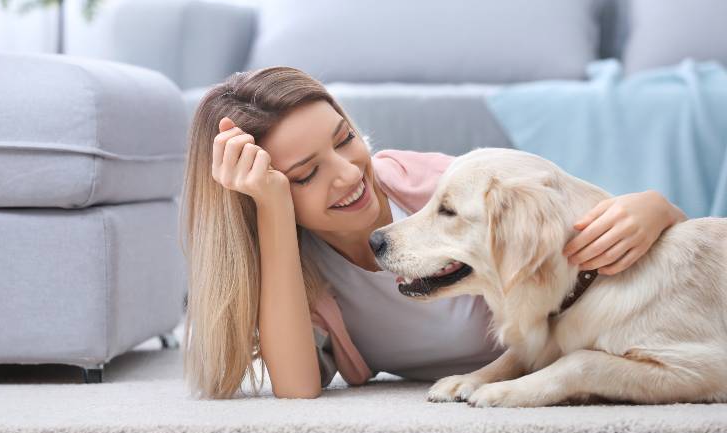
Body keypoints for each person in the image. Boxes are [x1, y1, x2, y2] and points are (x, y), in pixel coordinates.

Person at [178, 66, 688, 400]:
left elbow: (568, 220)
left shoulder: (432, 184)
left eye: (345, 139)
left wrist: (655, 209)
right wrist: (271, 210)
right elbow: (295, 391)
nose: (350, 174)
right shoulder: (299, 276)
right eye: (305, 175)